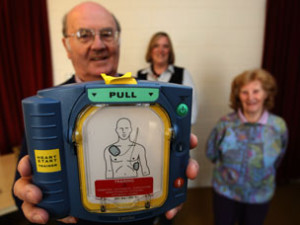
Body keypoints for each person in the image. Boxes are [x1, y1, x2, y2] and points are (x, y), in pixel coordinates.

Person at [12, 2, 199, 225]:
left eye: (107, 34)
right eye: (84, 35)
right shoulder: (48, 110)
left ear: (118, 40)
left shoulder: (155, 102)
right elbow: (23, 192)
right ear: (66, 45)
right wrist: (33, 196)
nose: (98, 44)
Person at [206, 69, 288, 225]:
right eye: (244, 92)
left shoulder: (278, 126)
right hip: (226, 192)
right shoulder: (225, 123)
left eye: (256, 91)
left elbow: (279, 157)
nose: (250, 97)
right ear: (238, 95)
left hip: (259, 195)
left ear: (266, 94)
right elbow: (211, 153)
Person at [136, 32, 198, 125]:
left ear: (170, 51)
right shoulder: (139, 76)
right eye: (156, 46)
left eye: (165, 46)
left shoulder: (183, 74)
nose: (161, 50)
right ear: (150, 50)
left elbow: (191, 114)